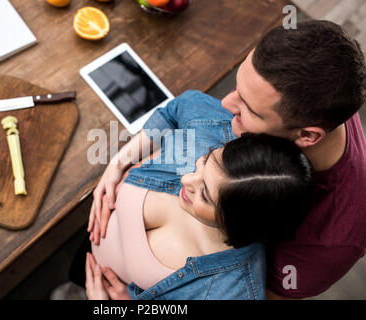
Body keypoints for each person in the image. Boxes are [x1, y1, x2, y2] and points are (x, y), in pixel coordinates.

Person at [89, 20, 366, 299]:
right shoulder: (308, 84)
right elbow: (185, 110)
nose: (225, 104)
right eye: (238, 88)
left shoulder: (333, 241)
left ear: (307, 135)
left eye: (249, 109)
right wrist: (122, 161)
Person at [81, 89, 312, 300]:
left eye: (205, 195)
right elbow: (178, 108)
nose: (186, 179)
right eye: (204, 162)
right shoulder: (214, 131)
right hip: (89, 241)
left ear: (237, 226)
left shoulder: (232, 292)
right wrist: (119, 163)